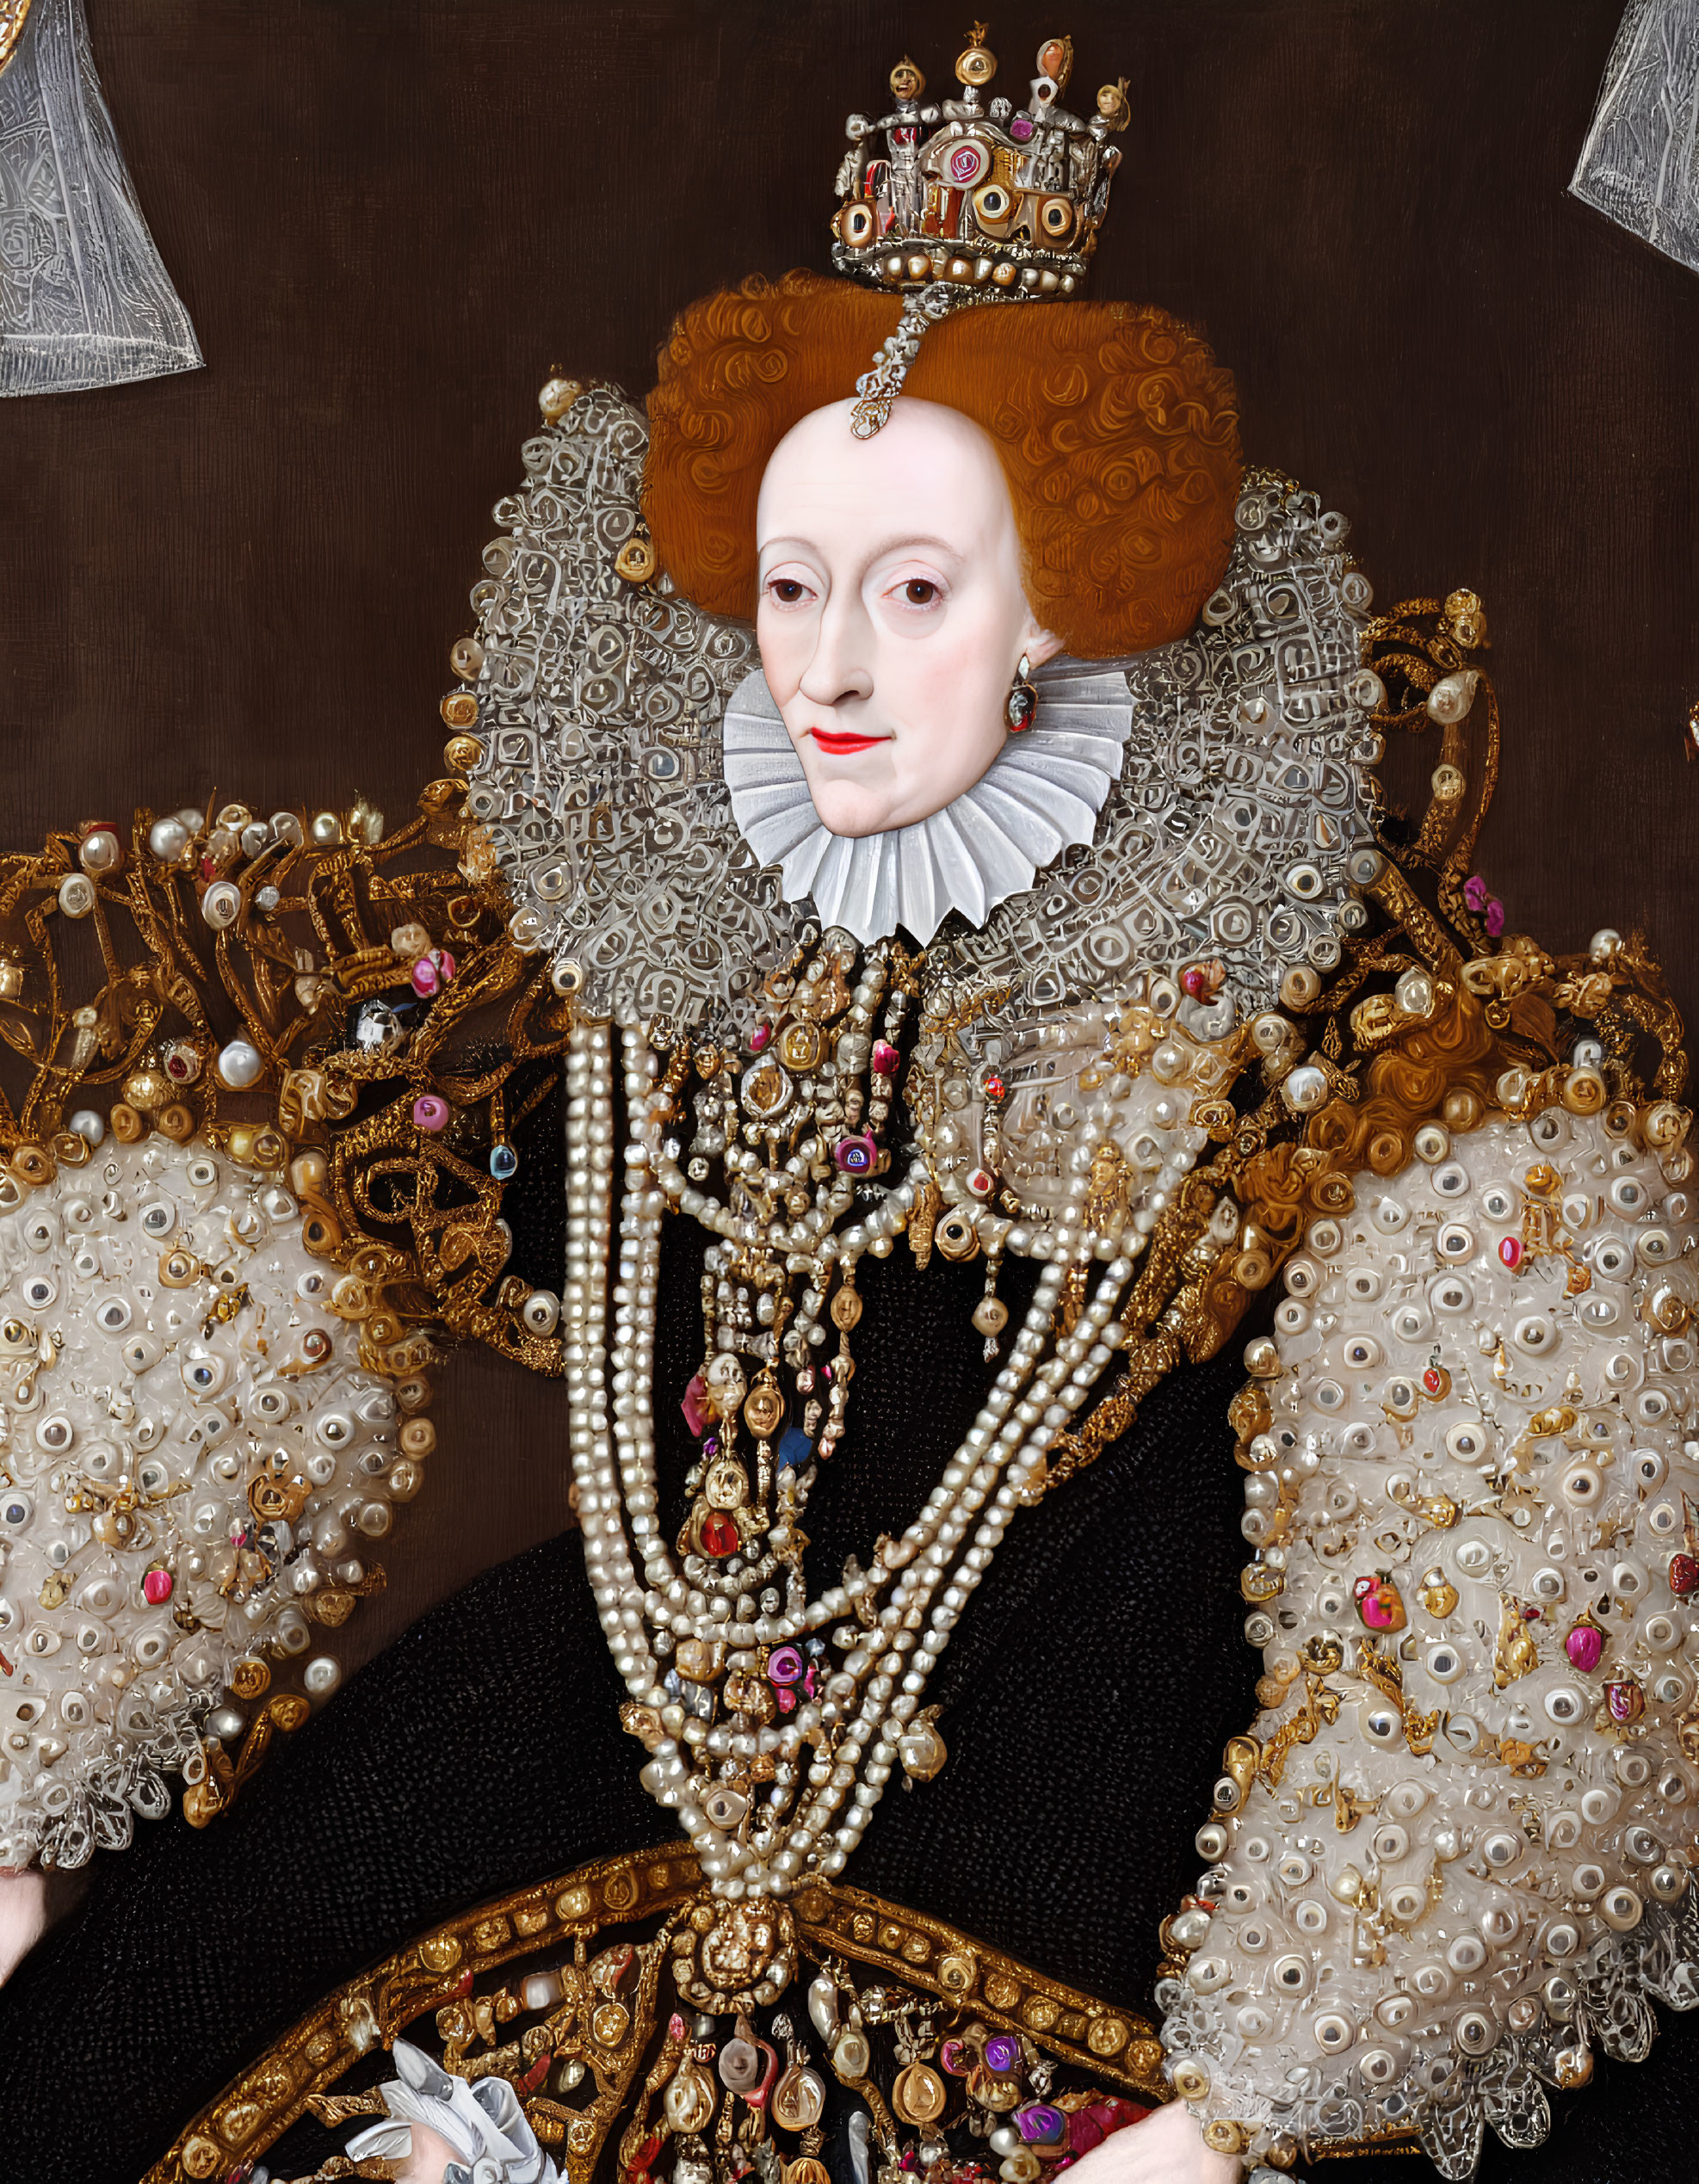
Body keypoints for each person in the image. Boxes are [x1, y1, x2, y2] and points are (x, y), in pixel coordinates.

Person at [2, 36, 1696, 2184]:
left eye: (915, 592)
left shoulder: (1344, 1018)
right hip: (599, 1775)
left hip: (1115, 1837)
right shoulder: (652, 966)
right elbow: (293, 1233)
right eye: (792, 588)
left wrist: (1247, 2105)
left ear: (1064, 602)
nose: (831, 672)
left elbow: (1502, 1533)